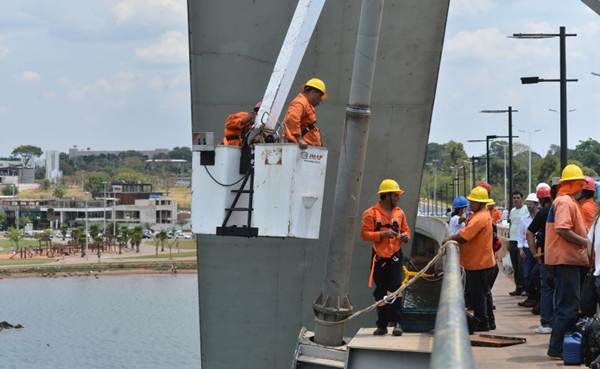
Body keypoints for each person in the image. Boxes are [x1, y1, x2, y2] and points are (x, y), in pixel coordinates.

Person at [545, 164, 590, 359]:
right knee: (568, 306)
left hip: (566, 260)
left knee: (567, 304)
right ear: (573, 184)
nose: (582, 188)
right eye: (579, 184)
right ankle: (556, 348)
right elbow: (562, 229)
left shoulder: (565, 200)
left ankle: (562, 346)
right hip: (566, 261)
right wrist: (586, 242)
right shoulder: (565, 201)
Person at [361, 179, 410, 336]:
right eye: (396, 195)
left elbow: (407, 231)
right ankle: (382, 325)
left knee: (395, 289)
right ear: (387, 196)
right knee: (381, 291)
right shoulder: (370, 214)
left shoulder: (400, 213)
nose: (398, 198)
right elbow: (365, 234)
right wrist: (382, 234)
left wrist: (404, 237)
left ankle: (397, 323)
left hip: (395, 255)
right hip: (379, 258)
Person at [444, 186, 496, 331]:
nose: (471, 204)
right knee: (484, 294)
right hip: (481, 262)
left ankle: (482, 323)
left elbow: (464, 236)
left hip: (479, 263)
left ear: (481, 203)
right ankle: (489, 322)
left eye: (473, 202)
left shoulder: (480, 218)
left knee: (478, 296)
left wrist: (448, 239)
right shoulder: (480, 215)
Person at [527, 184, 554, 334]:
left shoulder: (543, 213)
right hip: (559, 256)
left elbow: (529, 232)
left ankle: (546, 323)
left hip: (545, 256)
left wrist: (534, 253)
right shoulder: (559, 210)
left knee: (546, 289)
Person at [284, 78, 327, 149]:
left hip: (308, 150)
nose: (320, 100)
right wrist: (299, 139)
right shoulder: (300, 102)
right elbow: (292, 118)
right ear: (313, 92)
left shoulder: (306, 104)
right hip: (300, 149)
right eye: (320, 96)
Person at [517, 193, 539, 308]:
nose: (529, 207)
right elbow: (520, 235)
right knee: (526, 274)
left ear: (536, 204)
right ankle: (530, 296)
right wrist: (520, 249)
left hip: (538, 248)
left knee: (536, 274)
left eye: (531, 204)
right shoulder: (523, 219)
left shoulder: (541, 217)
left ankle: (535, 298)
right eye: (528, 204)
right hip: (526, 249)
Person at [508, 191, 528, 296]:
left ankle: (525, 288)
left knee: (522, 266)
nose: (516, 199)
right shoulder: (512, 211)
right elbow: (511, 225)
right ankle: (518, 287)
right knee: (515, 266)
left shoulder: (526, 210)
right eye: (514, 198)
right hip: (512, 240)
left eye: (518, 198)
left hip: (521, 242)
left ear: (522, 199)